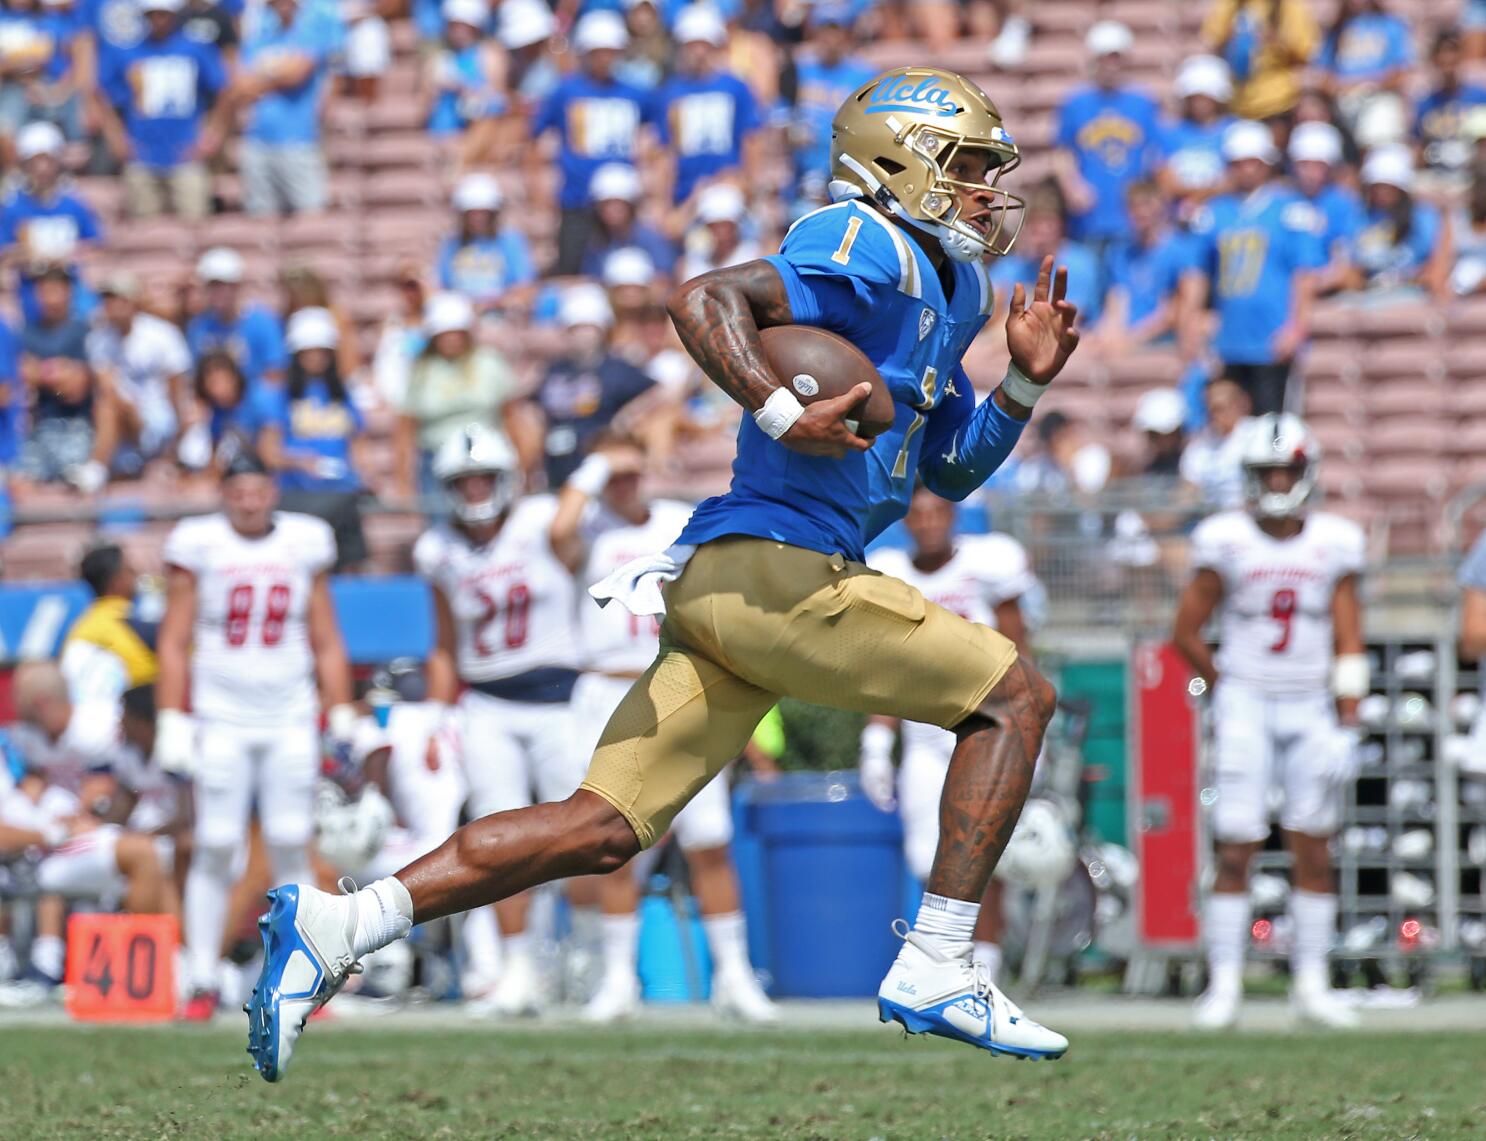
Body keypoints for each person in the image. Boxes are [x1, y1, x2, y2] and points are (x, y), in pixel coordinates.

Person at [245, 64, 1081, 1079]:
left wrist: (1025, 382)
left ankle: (340, 926)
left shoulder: (956, 285)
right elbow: (704, 299)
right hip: (779, 570)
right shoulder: (859, 237)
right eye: (963, 167)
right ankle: (940, 958)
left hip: (738, 587)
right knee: (1014, 698)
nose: (985, 190)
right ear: (897, 162)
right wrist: (779, 407)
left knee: (599, 828)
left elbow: (944, 462)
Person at [549, 433, 777, 1024]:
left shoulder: (680, 521)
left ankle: (734, 975)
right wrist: (598, 462)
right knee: (613, 842)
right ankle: (618, 978)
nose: (624, 485)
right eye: (614, 477)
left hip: (676, 680)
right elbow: (559, 534)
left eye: (631, 473)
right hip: (606, 688)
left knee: (708, 840)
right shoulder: (591, 530)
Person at [1172, 413, 1365, 1031]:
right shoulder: (1225, 537)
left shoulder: (1334, 540)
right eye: (1267, 471)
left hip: (1310, 703)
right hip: (1248, 703)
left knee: (1314, 839)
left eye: (1286, 469)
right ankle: (1223, 983)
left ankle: (1312, 983)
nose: (1278, 480)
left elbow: (1349, 635)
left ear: (1307, 472)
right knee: (1237, 842)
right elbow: (1185, 630)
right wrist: (1226, 685)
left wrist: (1350, 721)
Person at [154, 446, 355, 1021]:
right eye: (237, 491)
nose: (248, 501)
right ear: (223, 495)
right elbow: (173, 638)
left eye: (258, 490)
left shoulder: (303, 540)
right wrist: (174, 717)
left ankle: (301, 977)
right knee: (217, 843)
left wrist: (341, 711)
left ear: (273, 491)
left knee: (292, 840)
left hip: (290, 713)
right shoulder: (200, 543)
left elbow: (325, 635)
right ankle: (200, 976)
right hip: (222, 713)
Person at [410, 424, 585, 1016]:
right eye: (463, 480)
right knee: (501, 841)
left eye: (484, 477)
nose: (475, 489)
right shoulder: (436, 549)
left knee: (586, 836)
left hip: (562, 697)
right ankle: (516, 969)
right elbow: (442, 642)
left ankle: (592, 961)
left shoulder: (540, 521)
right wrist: (437, 717)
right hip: (486, 702)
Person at [860, 484, 1039, 988]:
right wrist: (875, 741)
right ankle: (943, 966)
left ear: (954, 514)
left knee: (987, 856)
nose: (929, 523)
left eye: (938, 512)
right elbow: (886, 668)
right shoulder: (892, 572)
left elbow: (1020, 650)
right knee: (924, 855)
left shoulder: (988, 561)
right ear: (906, 522)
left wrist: (1025, 732)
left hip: (985, 728)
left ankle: (986, 972)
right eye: (918, 515)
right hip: (924, 733)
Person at [1179, 120, 1324, 416]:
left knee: (1274, 429)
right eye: (1238, 163)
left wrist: (1297, 326)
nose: (1246, 170)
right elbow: (1197, 274)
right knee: (1230, 424)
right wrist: (1191, 321)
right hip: (1228, 340)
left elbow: (1305, 275)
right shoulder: (1215, 213)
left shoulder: (1290, 212)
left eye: (1252, 163)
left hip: (1271, 338)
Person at [533, 10, 656, 276]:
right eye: (598, 52)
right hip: (577, 198)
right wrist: (537, 188)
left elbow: (657, 133)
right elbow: (535, 133)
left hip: (622, 199)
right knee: (573, 268)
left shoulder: (635, 93)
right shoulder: (566, 91)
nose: (604, 58)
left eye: (610, 51)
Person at [201, 0, 345, 216]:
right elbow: (239, 87)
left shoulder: (308, 35)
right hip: (258, 140)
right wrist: (278, 76)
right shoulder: (260, 39)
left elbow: (296, 74)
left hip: (298, 140)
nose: (282, 5)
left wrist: (261, 79)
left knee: (310, 216)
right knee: (261, 217)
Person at [254, 306, 368, 569]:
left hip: (342, 497)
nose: (316, 358)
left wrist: (363, 474)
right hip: (297, 498)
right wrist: (300, 462)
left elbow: (357, 443)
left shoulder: (343, 393)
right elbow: (268, 452)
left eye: (322, 352)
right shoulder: (279, 395)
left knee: (348, 567)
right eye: (309, 352)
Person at [96, 0, 226, 221]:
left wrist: (212, 133)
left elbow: (223, 91)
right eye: (153, 15)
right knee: (147, 233)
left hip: (185, 154)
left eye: (163, 15)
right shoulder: (127, 52)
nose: (158, 21)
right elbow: (103, 95)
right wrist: (116, 137)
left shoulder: (196, 49)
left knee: (195, 224)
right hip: (142, 154)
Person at [395, 291, 525, 500]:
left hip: (487, 460)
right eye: (444, 334)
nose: (451, 340)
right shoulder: (421, 370)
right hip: (436, 461)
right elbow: (406, 428)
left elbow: (511, 417)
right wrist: (403, 479)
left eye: (456, 332)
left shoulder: (489, 362)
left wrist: (521, 464)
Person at [529, 283, 659, 488]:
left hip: (599, 462)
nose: (581, 335)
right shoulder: (554, 369)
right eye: (575, 328)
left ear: (601, 330)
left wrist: (629, 415)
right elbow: (531, 406)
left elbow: (659, 392)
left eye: (587, 328)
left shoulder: (616, 368)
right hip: (555, 457)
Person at [1052, 20, 1161, 254]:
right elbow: (1062, 153)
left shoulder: (1142, 103)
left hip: (1130, 215)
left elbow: (1155, 155)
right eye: (1105, 59)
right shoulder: (1075, 103)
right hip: (1089, 217)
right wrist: (1072, 186)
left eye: (1116, 58)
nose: (1111, 66)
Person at [18, 267, 117, 493]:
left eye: (56, 291)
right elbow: (20, 375)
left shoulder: (85, 331)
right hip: (38, 427)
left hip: (78, 427)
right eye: (44, 291)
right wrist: (58, 372)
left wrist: (40, 372)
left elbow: (75, 389)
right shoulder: (27, 333)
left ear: (69, 293)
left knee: (75, 486)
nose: (50, 298)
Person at [653, 4, 761, 209]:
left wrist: (749, 185)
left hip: (729, 187)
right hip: (685, 193)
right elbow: (666, 151)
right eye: (691, 46)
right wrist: (664, 202)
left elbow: (751, 138)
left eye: (704, 45)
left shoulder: (735, 87)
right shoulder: (670, 93)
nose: (698, 52)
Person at [87, 271, 193, 474]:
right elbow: (106, 387)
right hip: (125, 418)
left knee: (108, 409)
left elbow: (176, 388)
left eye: (119, 299)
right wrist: (130, 410)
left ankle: (95, 470)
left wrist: (180, 431)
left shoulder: (161, 334)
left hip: (160, 417)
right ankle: (98, 469)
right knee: (107, 407)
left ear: (133, 302)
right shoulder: (98, 339)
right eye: (108, 300)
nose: (113, 306)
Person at [0, 121, 102, 326]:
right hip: (29, 294)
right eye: (35, 162)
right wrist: (29, 255)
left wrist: (68, 255)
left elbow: (96, 246)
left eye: (47, 161)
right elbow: (4, 254)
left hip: (74, 291)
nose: (42, 169)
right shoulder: (12, 208)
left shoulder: (75, 205)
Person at [1342, 144, 1452, 301]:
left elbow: (1436, 266)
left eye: (1388, 187)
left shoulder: (1423, 217)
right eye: (1377, 187)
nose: (1381, 192)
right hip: (1369, 296)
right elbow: (1351, 268)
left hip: (1413, 295)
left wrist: (1408, 280)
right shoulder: (1360, 217)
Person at [786, 5, 874, 197]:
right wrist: (791, 131)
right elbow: (780, 113)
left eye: (836, 33)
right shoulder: (798, 68)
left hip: (844, 167)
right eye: (825, 33)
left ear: (846, 35)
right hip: (801, 166)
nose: (830, 40)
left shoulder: (864, 74)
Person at [1096, 180, 1190, 350]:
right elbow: (1117, 301)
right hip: (1127, 337)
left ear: (1162, 207)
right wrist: (1106, 337)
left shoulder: (1181, 251)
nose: (1140, 212)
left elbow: (1173, 311)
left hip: (1163, 341)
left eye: (1146, 205)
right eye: (1133, 206)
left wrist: (1131, 340)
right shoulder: (1120, 252)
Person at [989, 186, 1101, 327]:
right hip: (1005, 335)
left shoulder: (1080, 262)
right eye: (1034, 224)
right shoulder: (1016, 264)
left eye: (1047, 223)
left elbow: (1070, 318)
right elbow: (988, 303)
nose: (1041, 231)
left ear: (1061, 226)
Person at [60, 543, 158, 706]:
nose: (137, 573)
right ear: (117, 581)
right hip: (133, 720)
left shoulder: (78, 629)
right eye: (130, 570)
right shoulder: (132, 626)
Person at [186, 247, 288, 390]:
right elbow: (196, 375)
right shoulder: (199, 327)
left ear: (238, 286)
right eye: (212, 286)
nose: (218, 292)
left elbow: (275, 375)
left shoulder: (263, 323)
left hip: (253, 401)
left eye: (224, 285)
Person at [1200, 0, 1317, 123]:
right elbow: (1212, 42)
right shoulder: (1231, 5)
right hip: (1237, 105)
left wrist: (1276, 41)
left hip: (1277, 105)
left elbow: (1305, 55)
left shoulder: (1289, 6)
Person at [434, 173, 537, 313]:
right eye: (472, 213)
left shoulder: (511, 242)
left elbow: (524, 288)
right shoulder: (452, 244)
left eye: (483, 213)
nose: (478, 218)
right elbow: (441, 287)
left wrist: (494, 304)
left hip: (501, 313)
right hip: (461, 314)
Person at [1286, 121, 1364, 294]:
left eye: (1318, 166)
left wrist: (1310, 287)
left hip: (1324, 291)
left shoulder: (1342, 204)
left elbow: (1345, 264)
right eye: (1304, 165)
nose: (1310, 173)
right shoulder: (1281, 201)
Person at [1159, 55, 1237, 212]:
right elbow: (1166, 183)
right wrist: (1211, 190)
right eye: (1194, 98)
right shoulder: (1172, 132)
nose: (1199, 104)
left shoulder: (1234, 131)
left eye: (1204, 98)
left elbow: (1234, 181)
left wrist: (1196, 197)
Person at [1415, 28, 1486, 194]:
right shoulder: (1425, 102)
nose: (1447, 68)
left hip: (1471, 172)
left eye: (1452, 61)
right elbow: (1417, 144)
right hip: (1437, 173)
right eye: (1442, 62)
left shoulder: (1479, 96)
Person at [578, 162, 676, 278]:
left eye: (619, 203)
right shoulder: (597, 242)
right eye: (606, 204)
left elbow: (663, 279)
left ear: (631, 205)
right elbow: (592, 278)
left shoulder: (651, 239)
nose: (612, 210)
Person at [1179, 377, 1255, 508]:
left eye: (1219, 408)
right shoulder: (1198, 447)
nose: (1213, 415)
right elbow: (1187, 494)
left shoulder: (1259, 434)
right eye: (1209, 409)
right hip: (1209, 518)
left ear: (1242, 404)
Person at [678, 183, 760, 281]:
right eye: (714, 226)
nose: (721, 234)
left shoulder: (755, 257)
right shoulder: (692, 265)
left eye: (726, 226)